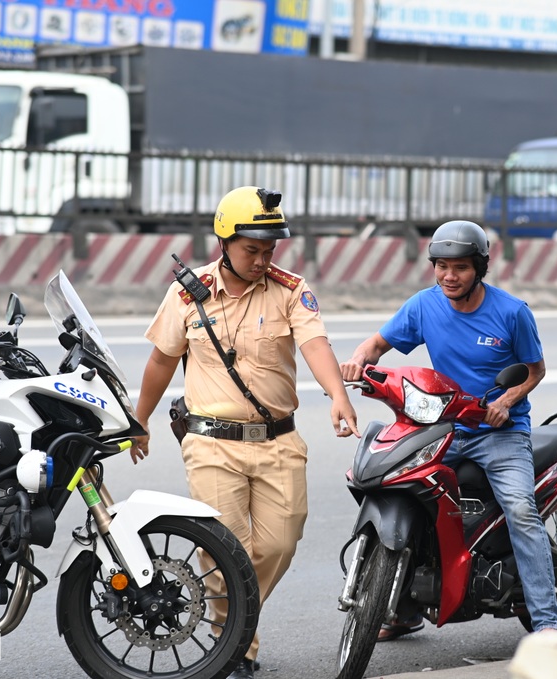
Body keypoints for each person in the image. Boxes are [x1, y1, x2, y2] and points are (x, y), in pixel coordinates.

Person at [132, 185, 360, 679]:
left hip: (278, 441)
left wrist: (338, 395)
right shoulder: (186, 294)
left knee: (279, 544)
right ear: (225, 242)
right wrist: (141, 418)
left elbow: (316, 344)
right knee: (223, 547)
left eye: (269, 250)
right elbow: (161, 360)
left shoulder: (290, 290)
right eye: (252, 250)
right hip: (211, 442)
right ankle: (236, 647)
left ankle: (233, 619)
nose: (261, 260)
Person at [339, 219, 557, 638]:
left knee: (519, 508)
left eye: (459, 267)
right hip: (445, 427)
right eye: (441, 266)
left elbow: (535, 371)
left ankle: (548, 622)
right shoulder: (424, 305)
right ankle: (401, 607)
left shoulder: (512, 312)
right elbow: (375, 346)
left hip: (501, 433)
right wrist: (358, 360)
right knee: (396, 487)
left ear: (479, 267)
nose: (448, 276)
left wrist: (505, 401)